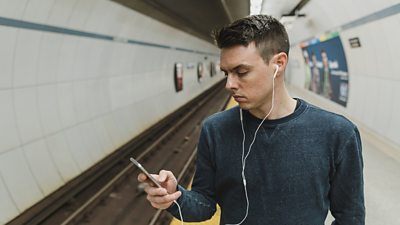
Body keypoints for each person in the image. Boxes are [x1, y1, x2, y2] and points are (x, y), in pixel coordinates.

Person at [138, 15, 365, 225]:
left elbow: (350, 217)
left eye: (242, 71)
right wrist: (174, 196)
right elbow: (204, 204)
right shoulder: (216, 129)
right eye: (227, 73)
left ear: (279, 64)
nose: (230, 84)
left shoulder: (337, 133)